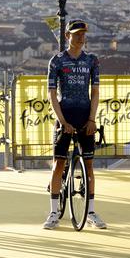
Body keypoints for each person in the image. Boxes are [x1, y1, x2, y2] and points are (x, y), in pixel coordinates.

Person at [43, 19, 106, 230]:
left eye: (83, 34)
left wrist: (92, 119)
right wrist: (62, 121)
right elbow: (52, 94)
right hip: (65, 115)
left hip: (84, 116)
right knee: (58, 164)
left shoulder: (92, 61)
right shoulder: (57, 61)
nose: (81, 37)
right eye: (76, 34)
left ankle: (91, 212)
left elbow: (95, 92)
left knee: (89, 166)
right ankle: (53, 212)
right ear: (67, 36)